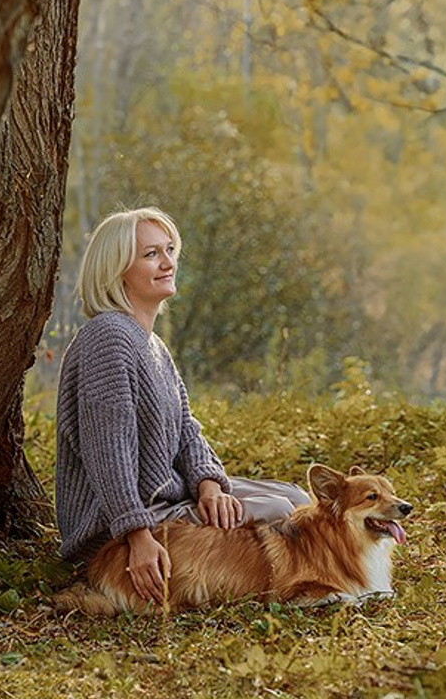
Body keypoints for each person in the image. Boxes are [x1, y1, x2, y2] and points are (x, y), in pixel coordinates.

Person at [55, 206, 309, 605]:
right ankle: (281, 585)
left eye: (170, 249)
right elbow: (108, 453)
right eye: (151, 254)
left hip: (169, 501)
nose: (168, 262)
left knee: (296, 500)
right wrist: (137, 536)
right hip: (121, 524)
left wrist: (208, 486)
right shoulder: (107, 337)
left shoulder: (152, 345)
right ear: (117, 268)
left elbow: (187, 429)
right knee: (281, 511)